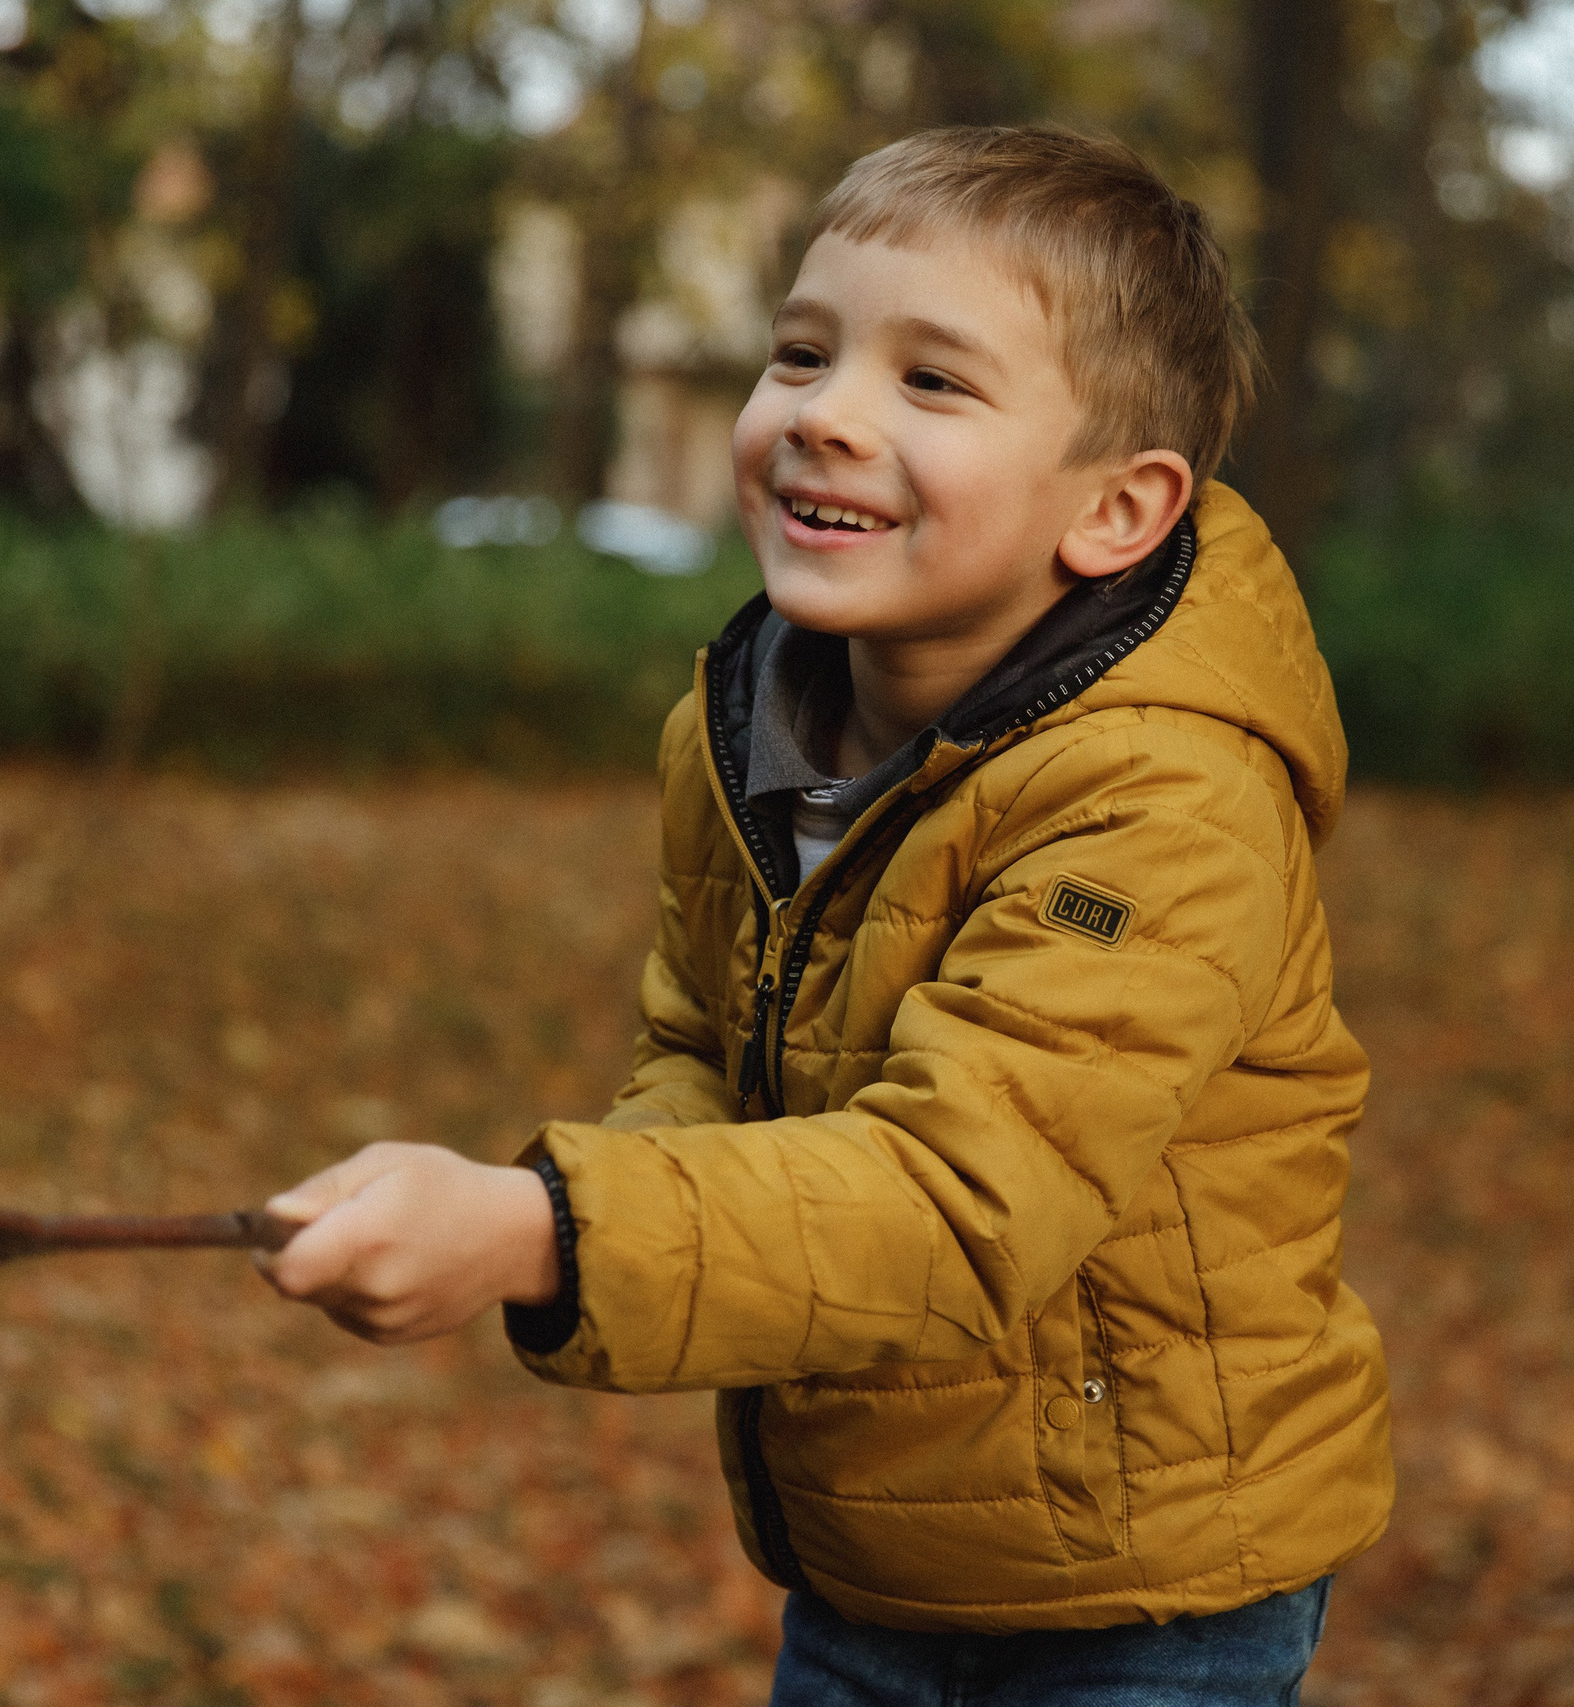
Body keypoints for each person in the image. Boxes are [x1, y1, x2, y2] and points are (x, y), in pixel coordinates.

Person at [260, 125, 1392, 1705]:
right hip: (871, 1560)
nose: (827, 418)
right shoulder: (746, 736)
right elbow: (707, 1064)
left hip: (1149, 1596)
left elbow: (956, 1201)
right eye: (803, 353)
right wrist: (535, 1211)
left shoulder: (1164, 804)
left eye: (933, 383)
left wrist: (542, 1232)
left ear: (1120, 512)